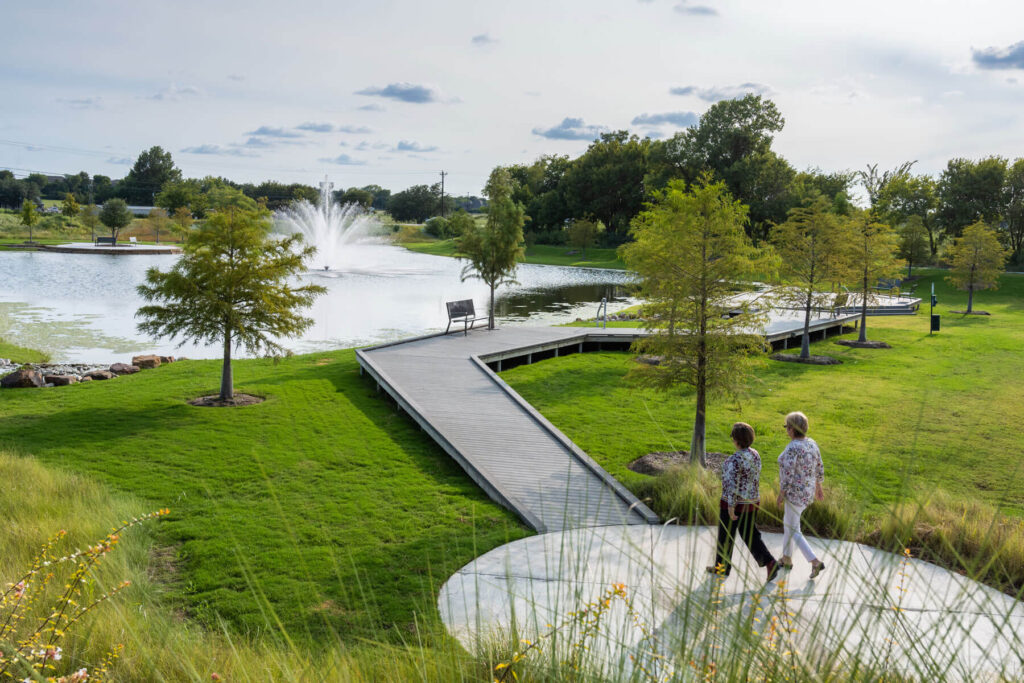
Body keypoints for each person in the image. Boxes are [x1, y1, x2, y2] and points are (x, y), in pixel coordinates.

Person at [707, 422, 780, 582]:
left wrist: (731, 508)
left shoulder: (732, 461)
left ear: (736, 440)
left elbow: (731, 486)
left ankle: (722, 568)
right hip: (752, 502)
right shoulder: (755, 454)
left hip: (733, 505)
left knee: (725, 536)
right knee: (750, 535)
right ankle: (770, 562)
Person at [777, 411, 826, 578]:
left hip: (794, 495)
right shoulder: (811, 443)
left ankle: (814, 562)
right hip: (806, 493)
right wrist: (819, 487)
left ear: (791, 429)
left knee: (793, 529)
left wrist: (781, 494)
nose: (786, 430)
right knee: (789, 525)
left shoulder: (792, 448)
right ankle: (786, 559)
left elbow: (788, 474)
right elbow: (819, 466)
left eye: (787, 427)